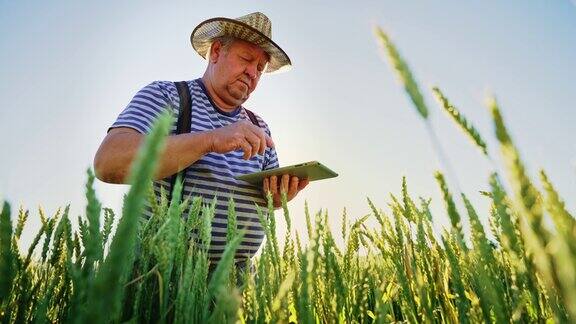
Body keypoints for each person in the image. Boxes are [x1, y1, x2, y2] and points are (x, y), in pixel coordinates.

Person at [93, 12, 309, 265]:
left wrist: (279, 196)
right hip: (157, 281)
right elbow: (108, 163)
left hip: (233, 290)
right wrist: (210, 140)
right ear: (216, 51)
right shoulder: (167, 96)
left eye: (260, 69)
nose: (252, 72)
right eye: (247, 59)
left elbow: (265, 201)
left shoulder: (259, 126)